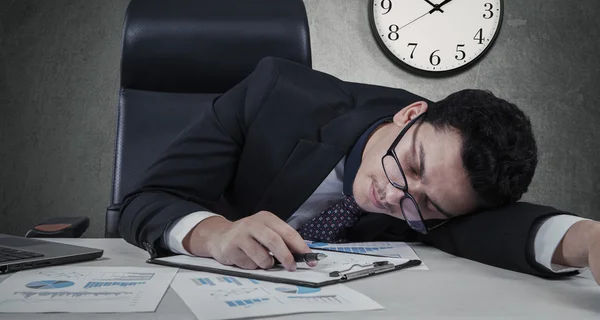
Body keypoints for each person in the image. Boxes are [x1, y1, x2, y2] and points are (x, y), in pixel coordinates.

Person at [119, 57, 600, 283]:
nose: (395, 196)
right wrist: (215, 233)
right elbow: (143, 202)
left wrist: (588, 240)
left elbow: (498, 227)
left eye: (427, 204)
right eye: (408, 165)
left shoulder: (445, 186)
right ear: (411, 114)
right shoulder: (275, 94)